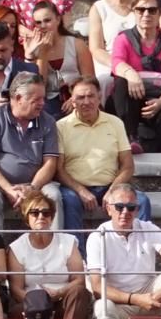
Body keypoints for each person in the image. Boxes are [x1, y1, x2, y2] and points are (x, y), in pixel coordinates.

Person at [84, 183, 161, 319]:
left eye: (131, 207)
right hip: (120, 302)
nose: (125, 212)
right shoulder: (97, 237)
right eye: (119, 207)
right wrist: (135, 299)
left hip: (150, 294)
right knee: (102, 307)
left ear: (137, 210)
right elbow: (97, 288)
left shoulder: (148, 228)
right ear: (109, 209)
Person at [0, 72, 63, 231]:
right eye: (36, 100)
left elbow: (50, 164)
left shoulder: (47, 121)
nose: (42, 103)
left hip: (36, 184)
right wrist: (8, 188)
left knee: (54, 195)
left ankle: (55, 247)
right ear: (17, 98)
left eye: (43, 98)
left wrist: (32, 187)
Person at [110, 0, 161, 160]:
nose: (146, 14)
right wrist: (132, 75)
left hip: (158, 97)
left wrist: (160, 103)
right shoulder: (123, 39)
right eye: (140, 10)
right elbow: (116, 63)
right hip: (131, 99)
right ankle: (129, 138)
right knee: (122, 81)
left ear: (160, 13)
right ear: (134, 12)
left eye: (152, 10)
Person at [56, 76, 134, 233]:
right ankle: (78, 256)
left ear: (99, 97)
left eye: (91, 96)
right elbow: (58, 170)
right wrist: (81, 190)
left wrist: (113, 190)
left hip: (110, 185)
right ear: (72, 102)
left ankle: (139, 252)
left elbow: (128, 166)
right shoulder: (61, 127)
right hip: (75, 189)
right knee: (69, 200)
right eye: (80, 97)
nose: (86, 102)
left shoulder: (115, 123)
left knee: (142, 201)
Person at [5, 186, 88, 317]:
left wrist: (60, 292)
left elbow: (79, 279)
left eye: (46, 213)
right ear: (27, 218)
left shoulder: (68, 241)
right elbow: (16, 289)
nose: (41, 216)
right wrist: (38, 302)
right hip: (32, 305)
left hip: (63, 300)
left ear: (52, 217)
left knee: (79, 292)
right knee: (16, 311)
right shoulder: (17, 248)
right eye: (34, 213)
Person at [86, 0, 140, 93]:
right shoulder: (98, 8)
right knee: (105, 80)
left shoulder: (142, 4)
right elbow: (96, 49)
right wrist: (121, 66)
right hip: (109, 62)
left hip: (140, 60)